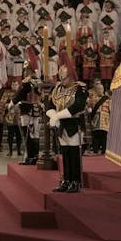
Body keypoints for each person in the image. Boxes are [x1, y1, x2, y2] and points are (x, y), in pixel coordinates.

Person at [47, 64, 88, 192]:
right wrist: (53, 116)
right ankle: (66, 180)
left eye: (64, 78)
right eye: (60, 78)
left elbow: (78, 106)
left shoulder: (80, 88)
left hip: (74, 124)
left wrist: (57, 116)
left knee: (74, 154)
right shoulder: (57, 88)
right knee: (65, 153)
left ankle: (75, 181)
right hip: (61, 125)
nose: (62, 81)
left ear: (70, 77)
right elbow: (49, 105)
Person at [15, 67, 41, 165]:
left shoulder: (28, 82)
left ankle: (32, 156)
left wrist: (13, 103)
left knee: (29, 133)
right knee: (31, 134)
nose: (25, 72)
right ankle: (32, 155)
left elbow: (20, 95)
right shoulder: (34, 82)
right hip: (31, 110)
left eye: (26, 70)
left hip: (29, 111)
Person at [87, 80, 110, 155]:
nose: (100, 90)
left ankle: (104, 150)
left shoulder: (108, 99)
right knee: (96, 135)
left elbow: (111, 109)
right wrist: (89, 109)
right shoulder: (92, 99)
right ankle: (95, 150)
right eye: (98, 89)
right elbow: (89, 106)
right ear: (96, 90)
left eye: (101, 89)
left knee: (104, 135)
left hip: (105, 119)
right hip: (96, 119)